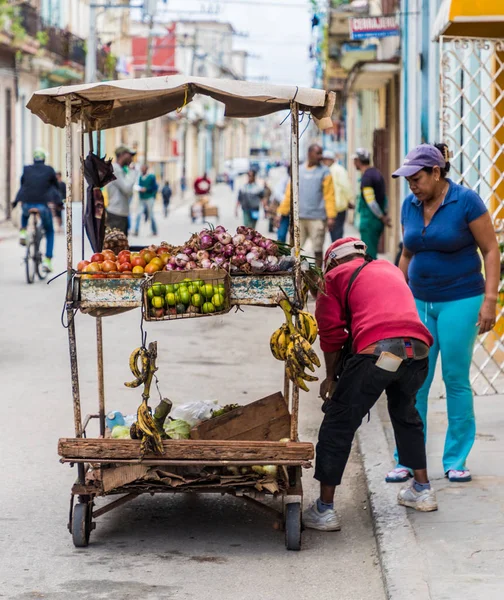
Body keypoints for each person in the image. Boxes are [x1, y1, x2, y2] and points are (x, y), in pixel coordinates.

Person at [302, 237, 437, 531]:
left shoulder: (333, 277)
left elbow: (332, 333)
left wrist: (331, 377)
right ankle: (423, 491)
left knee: (339, 420)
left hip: (378, 353)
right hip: (418, 351)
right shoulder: (387, 268)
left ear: (333, 262)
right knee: (406, 414)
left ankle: (324, 509)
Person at [387, 143, 500, 483]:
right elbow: (406, 254)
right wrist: (395, 295)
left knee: (454, 379)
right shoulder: (410, 205)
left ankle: (456, 459)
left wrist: (490, 299)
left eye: (417, 178)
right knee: (411, 382)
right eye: (407, 180)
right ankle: (407, 459)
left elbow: (491, 250)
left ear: (436, 173)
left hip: (460, 301)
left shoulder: (466, 201)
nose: (412, 185)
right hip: (418, 303)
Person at [278, 144, 337, 268]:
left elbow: (329, 195)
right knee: (295, 250)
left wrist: (331, 216)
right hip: (299, 217)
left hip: (317, 218)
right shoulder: (298, 170)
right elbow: (290, 193)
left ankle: (318, 276)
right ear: (310, 154)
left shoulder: (325, 172)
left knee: (317, 249)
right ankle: (296, 275)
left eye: (321, 153)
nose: (321, 156)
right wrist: (281, 212)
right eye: (318, 153)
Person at [13, 148, 61, 272]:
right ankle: (47, 261)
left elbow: (23, 184)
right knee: (50, 230)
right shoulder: (49, 170)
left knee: (24, 213)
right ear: (44, 159)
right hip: (42, 206)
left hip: (27, 204)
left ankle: (23, 231)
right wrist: (59, 202)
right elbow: (55, 186)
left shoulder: (26, 169)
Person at [354, 149, 391, 259]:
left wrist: (382, 216)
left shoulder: (367, 177)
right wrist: (384, 214)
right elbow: (384, 198)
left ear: (358, 161)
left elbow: (371, 202)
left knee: (369, 255)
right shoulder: (376, 173)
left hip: (370, 221)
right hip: (376, 222)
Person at [322, 150, 354, 242]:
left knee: (337, 234)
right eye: (324, 159)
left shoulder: (338, 170)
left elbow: (346, 187)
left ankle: (338, 254)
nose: (325, 161)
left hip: (338, 207)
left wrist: (349, 200)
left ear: (332, 160)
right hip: (330, 207)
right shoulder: (326, 170)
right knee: (333, 233)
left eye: (327, 159)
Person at [106, 146, 137, 235]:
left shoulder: (121, 170)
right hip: (116, 213)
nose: (131, 158)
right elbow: (127, 189)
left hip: (121, 213)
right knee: (117, 245)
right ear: (122, 155)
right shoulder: (115, 169)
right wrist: (133, 172)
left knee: (122, 245)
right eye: (129, 155)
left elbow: (129, 192)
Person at [134, 164, 158, 236]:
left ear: (146, 169)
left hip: (149, 197)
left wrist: (147, 189)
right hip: (142, 198)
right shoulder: (140, 177)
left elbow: (155, 187)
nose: (142, 169)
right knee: (138, 214)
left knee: (151, 215)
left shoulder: (151, 177)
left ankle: (154, 230)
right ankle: (136, 230)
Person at [275, 165, 291, 243]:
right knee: (281, 234)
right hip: (284, 211)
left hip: (297, 212)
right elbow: (278, 194)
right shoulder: (284, 180)